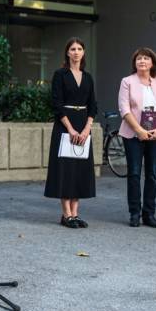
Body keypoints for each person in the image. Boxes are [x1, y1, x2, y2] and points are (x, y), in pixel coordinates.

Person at [44, 37, 98, 228]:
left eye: (79, 48)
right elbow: (57, 104)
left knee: (79, 169)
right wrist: (71, 128)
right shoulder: (60, 74)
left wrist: (86, 129)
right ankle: (66, 214)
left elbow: (93, 106)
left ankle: (75, 213)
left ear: (83, 52)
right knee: (65, 169)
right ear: (67, 53)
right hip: (65, 125)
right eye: (73, 49)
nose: (76, 52)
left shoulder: (88, 77)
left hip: (83, 126)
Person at [117, 47, 156, 228]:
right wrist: (139, 130)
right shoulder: (127, 81)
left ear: (152, 63)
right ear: (135, 63)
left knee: (153, 174)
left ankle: (149, 214)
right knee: (134, 173)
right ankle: (134, 213)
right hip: (133, 134)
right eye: (139, 59)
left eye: (146, 59)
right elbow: (124, 109)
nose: (142, 61)